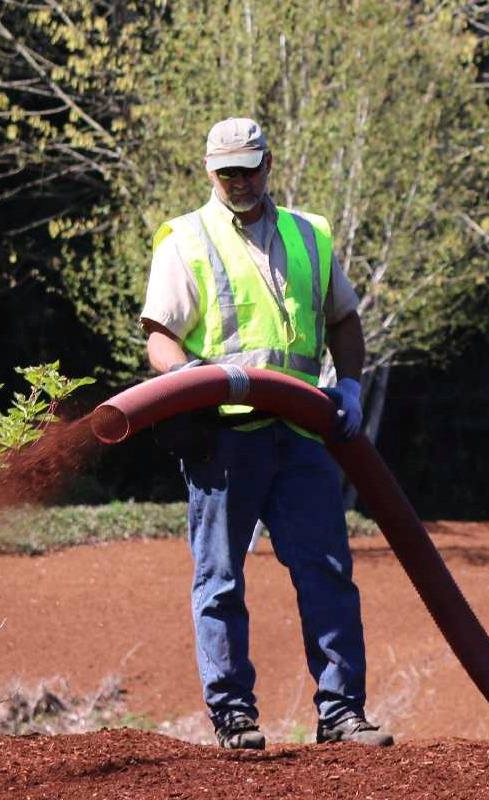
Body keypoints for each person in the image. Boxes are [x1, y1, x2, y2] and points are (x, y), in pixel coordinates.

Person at [138, 117, 391, 750]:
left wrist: (349, 385)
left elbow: (343, 318)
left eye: (247, 170)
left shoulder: (310, 235)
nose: (238, 182)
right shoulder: (184, 240)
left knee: (326, 573)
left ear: (267, 164)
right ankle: (233, 716)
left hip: (302, 433)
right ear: (209, 171)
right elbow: (160, 335)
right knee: (220, 579)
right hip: (225, 441)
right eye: (226, 173)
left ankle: (342, 713)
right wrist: (187, 379)